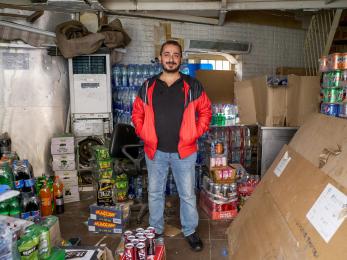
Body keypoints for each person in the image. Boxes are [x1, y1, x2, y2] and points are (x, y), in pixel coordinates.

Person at [132, 40, 212, 252]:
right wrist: (143, 133)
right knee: (155, 193)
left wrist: (195, 132)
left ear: (181, 59)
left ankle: (190, 231)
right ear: (160, 58)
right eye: (167, 54)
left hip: (184, 152)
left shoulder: (192, 85)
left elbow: (206, 111)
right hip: (155, 151)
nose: (171, 58)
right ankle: (155, 231)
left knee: (187, 194)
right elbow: (137, 113)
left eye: (175, 55)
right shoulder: (148, 86)